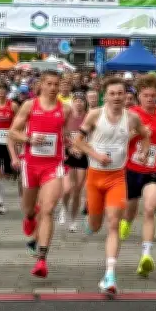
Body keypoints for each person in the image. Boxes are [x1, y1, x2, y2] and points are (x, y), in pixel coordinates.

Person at [73, 76, 150, 294]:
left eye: (121, 93)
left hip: (117, 177)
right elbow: (78, 141)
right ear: (105, 96)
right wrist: (96, 154)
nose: (117, 97)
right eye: (112, 93)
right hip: (95, 177)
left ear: (127, 96)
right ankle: (91, 221)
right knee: (96, 226)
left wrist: (143, 153)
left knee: (114, 223)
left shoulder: (132, 117)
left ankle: (110, 275)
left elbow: (145, 135)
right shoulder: (95, 114)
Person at [8, 70, 71, 278]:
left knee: (48, 209)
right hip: (31, 165)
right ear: (42, 85)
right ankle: (29, 216)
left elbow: (67, 135)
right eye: (49, 84)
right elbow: (12, 132)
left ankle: (42, 259)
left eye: (56, 84)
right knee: (28, 209)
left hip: (53, 165)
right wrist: (27, 139)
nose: (53, 88)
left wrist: (74, 145)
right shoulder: (30, 105)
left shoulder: (65, 109)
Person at [119, 75, 156, 278]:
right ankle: (127, 222)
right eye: (146, 96)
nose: (150, 99)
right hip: (133, 167)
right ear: (139, 96)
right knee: (131, 209)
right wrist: (139, 133)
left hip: (154, 167)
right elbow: (121, 139)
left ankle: (146, 256)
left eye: (153, 95)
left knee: (149, 208)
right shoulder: (131, 114)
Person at [58, 92, 88, 232]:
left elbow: (93, 136)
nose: (79, 103)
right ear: (72, 102)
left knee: (77, 190)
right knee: (68, 188)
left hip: (83, 156)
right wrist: (69, 147)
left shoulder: (88, 117)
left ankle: (73, 220)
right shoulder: (67, 116)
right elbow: (61, 133)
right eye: (76, 100)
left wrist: (84, 149)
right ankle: (64, 208)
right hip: (68, 154)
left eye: (81, 100)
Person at [0, 79, 19, 215]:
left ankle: (2, 196)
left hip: (9, 142)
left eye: (3, 90)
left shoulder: (12, 106)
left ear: (6, 92)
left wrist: (17, 137)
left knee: (6, 172)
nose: (0, 92)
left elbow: (19, 123)